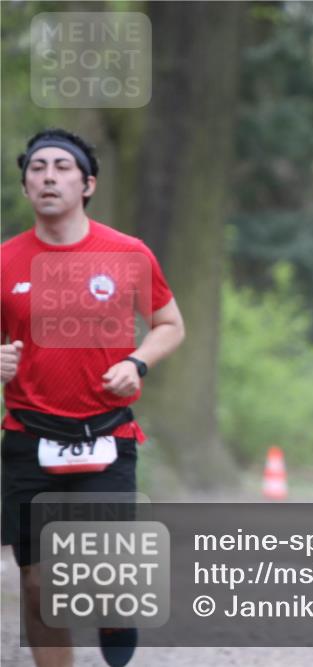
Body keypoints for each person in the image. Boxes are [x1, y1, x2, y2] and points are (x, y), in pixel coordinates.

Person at [0, 129, 185, 667]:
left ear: (87, 184)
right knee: (37, 586)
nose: (48, 176)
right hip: (27, 438)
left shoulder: (127, 253)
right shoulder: (6, 261)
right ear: (26, 184)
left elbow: (170, 324)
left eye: (61, 166)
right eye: (37, 168)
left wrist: (137, 361)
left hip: (105, 434)